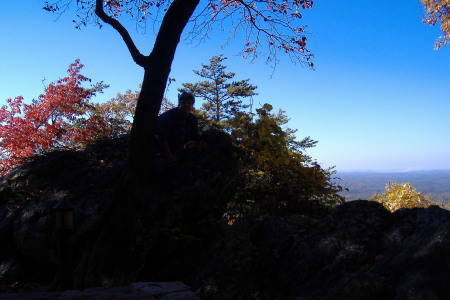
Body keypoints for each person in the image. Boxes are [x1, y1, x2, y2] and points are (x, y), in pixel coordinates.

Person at [155, 91, 198, 167]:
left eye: (189, 103)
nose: (186, 105)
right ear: (179, 103)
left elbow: (193, 138)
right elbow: (161, 137)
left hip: (179, 153)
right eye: (184, 102)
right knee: (159, 167)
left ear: (192, 106)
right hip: (159, 152)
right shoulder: (169, 116)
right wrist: (170, 156)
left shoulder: (193, 119)